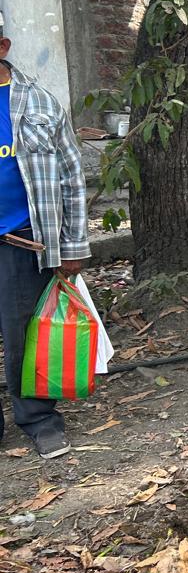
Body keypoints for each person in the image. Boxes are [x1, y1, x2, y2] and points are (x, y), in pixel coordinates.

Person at [0, 23, 88, 459]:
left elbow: (71, 176)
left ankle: (39, 420)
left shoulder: (38, 102)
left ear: (2, 46)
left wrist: (72, 246)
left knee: (25, 335)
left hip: (21, 242)